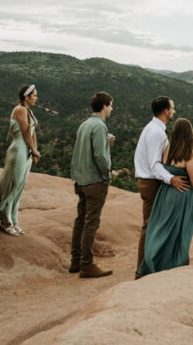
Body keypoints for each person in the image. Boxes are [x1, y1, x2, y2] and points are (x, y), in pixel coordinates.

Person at [133, 97, 190, 278]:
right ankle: (142, 270)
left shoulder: (153, 129)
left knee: (154, 224)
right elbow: (154, 165)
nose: (174, 111)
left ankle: (153, 264)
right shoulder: (156, 133)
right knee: (151, 225)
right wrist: (171, 178)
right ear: (165, 111)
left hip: (149, 181)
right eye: (172, 108)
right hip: (151, 182)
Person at [138, 118, 193, 277]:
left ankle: (154, 261)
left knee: (163, 229)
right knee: (180, 231)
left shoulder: (167, 151)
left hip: (165, 193)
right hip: (182, 195)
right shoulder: (189, 154)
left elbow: (157, 167)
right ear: (190, 134)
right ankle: (175, 264)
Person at [0, 84, 40, 235]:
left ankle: (13, 220)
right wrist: (33, 150)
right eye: (34, 95)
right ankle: (5, 221)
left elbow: (33, 133)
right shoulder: (20, 110)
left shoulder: (28, 110)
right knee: (12, 184)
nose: (36, 98)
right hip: (19, 149)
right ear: (26, 97)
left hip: (26, 150)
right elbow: (26, 133)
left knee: (19, 186)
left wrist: (35, 151)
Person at [69, 91, 115, 278]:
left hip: (81, 179)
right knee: (91, 223)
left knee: (80, 221)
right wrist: (107, 174)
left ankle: (76, 262)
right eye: (111, 105)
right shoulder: (99, 126)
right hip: (95, 180)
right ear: (104, 106)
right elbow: (99, 155)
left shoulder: (86, 124)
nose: (112, 109)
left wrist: (106, 138)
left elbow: (84, 148)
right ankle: (87, 265)